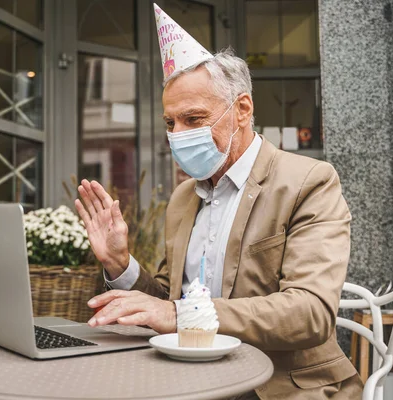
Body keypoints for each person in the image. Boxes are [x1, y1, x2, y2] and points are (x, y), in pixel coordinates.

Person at [74, 4, 363, 399]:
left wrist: (180, 315)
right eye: (171, 123)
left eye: (194, 119)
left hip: (279, 386)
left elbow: (309, 313)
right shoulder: (182, 198)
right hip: (192, 381)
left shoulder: (308, 182)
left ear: (242, 109)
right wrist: (121, 264)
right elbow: (167, 301)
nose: (178, 135)